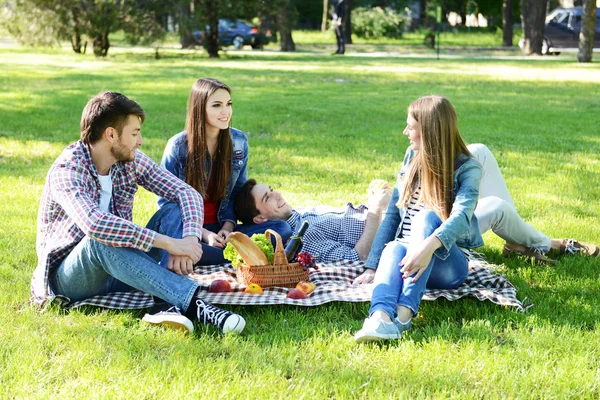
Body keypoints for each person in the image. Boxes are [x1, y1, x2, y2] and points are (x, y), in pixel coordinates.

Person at [32, 91, 245, 336]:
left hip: (122, 266)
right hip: (72, 278)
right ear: (111, 134)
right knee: (99, 241)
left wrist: (188, 240)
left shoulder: (129, 161)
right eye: (134, 133)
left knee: (174, 210)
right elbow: (96, 225)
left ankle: (165, 304)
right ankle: (195, 303)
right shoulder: (67, 170)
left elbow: (186, 194)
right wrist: (169, 244)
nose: (140, 140)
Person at [353, 95, 483, 342]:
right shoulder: (411, 156)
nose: (405, 132)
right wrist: (373, 266)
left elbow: (461, 216)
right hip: (406, 259)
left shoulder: (468, 168)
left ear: (430, 132)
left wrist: (426, 247)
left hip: (447, 265)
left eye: (411, 127)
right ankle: (380, 319)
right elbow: (393, 211)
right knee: (393, 246)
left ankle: (403, 314)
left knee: (426, 217)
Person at [146, 78, 292, 267]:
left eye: (228, 104)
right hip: (188, 231)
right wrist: (205, 235)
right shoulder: (177, 147)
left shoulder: (238, 142)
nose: (225, 112)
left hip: (223, 229)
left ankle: (211, 255)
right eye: (217, 105)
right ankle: (233, 255)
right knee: (179, 247)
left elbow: (236, 193)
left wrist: (228, 228)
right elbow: (167, 205)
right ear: (200, 109)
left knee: (281, 229)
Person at [235, 179, 392, 263]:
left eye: (271, 189)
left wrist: (374, 200)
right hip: (393, 228)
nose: (277, 195)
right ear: (261, 218)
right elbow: (358, 257)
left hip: (388, 213)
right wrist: (376, 208)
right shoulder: (303, 237)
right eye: (267, 197)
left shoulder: (302, 213)